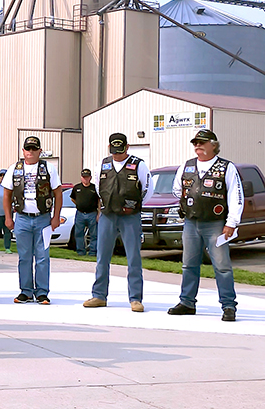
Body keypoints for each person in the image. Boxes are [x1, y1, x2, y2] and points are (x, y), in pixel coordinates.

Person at [167, 129, 241, 322]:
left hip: (216, 224)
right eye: (195, 143)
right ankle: (187, 302)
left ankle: (228, 305)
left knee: (222, 266)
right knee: (189, 265)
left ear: (213, 145)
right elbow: (177, 189)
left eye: (202, 142)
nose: (197, 146)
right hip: (191, 223)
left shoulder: (226, 167)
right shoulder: (187, 166)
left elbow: (235, 196)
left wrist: (231, 222)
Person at [84, 133, 151, 312]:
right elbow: (98, 187)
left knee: (133, 257)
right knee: (102, 256)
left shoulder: (139, 164)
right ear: (109, 148)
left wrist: (135, 206)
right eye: (114, 151)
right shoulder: (103, 164)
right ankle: (99, 295)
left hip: (130, 216)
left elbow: (148, 188)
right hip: (108, 215)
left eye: (120, 151)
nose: (117, 154)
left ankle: (135, 298)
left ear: (127, 147)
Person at [1, 136, 62, 305]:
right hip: (22, 218)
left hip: (43, 218)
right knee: (24, 257)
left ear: (40, 151)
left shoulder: (49, 168)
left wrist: (56, 216)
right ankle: (26, 291)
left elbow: (58, 193)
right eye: (28, 149)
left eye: (34, 149)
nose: (31, 152)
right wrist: (8, 217)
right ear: (23, 151)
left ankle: (42, 292)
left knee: (42, 257)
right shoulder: (14, 169)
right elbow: (7, 195)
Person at [70, 169, 100, 257]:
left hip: (92, 213)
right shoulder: (77, 188)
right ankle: (80, 251)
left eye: (87, 177)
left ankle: (93, 252)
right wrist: (79, 205)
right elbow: (73, 198)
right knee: (78, 233)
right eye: (84, 177)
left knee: (94, 234)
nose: (85, 179)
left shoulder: (94, 188)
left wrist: (99, 213)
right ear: (81, 177)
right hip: (80, 213)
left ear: (90, 178)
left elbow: (99, 200)